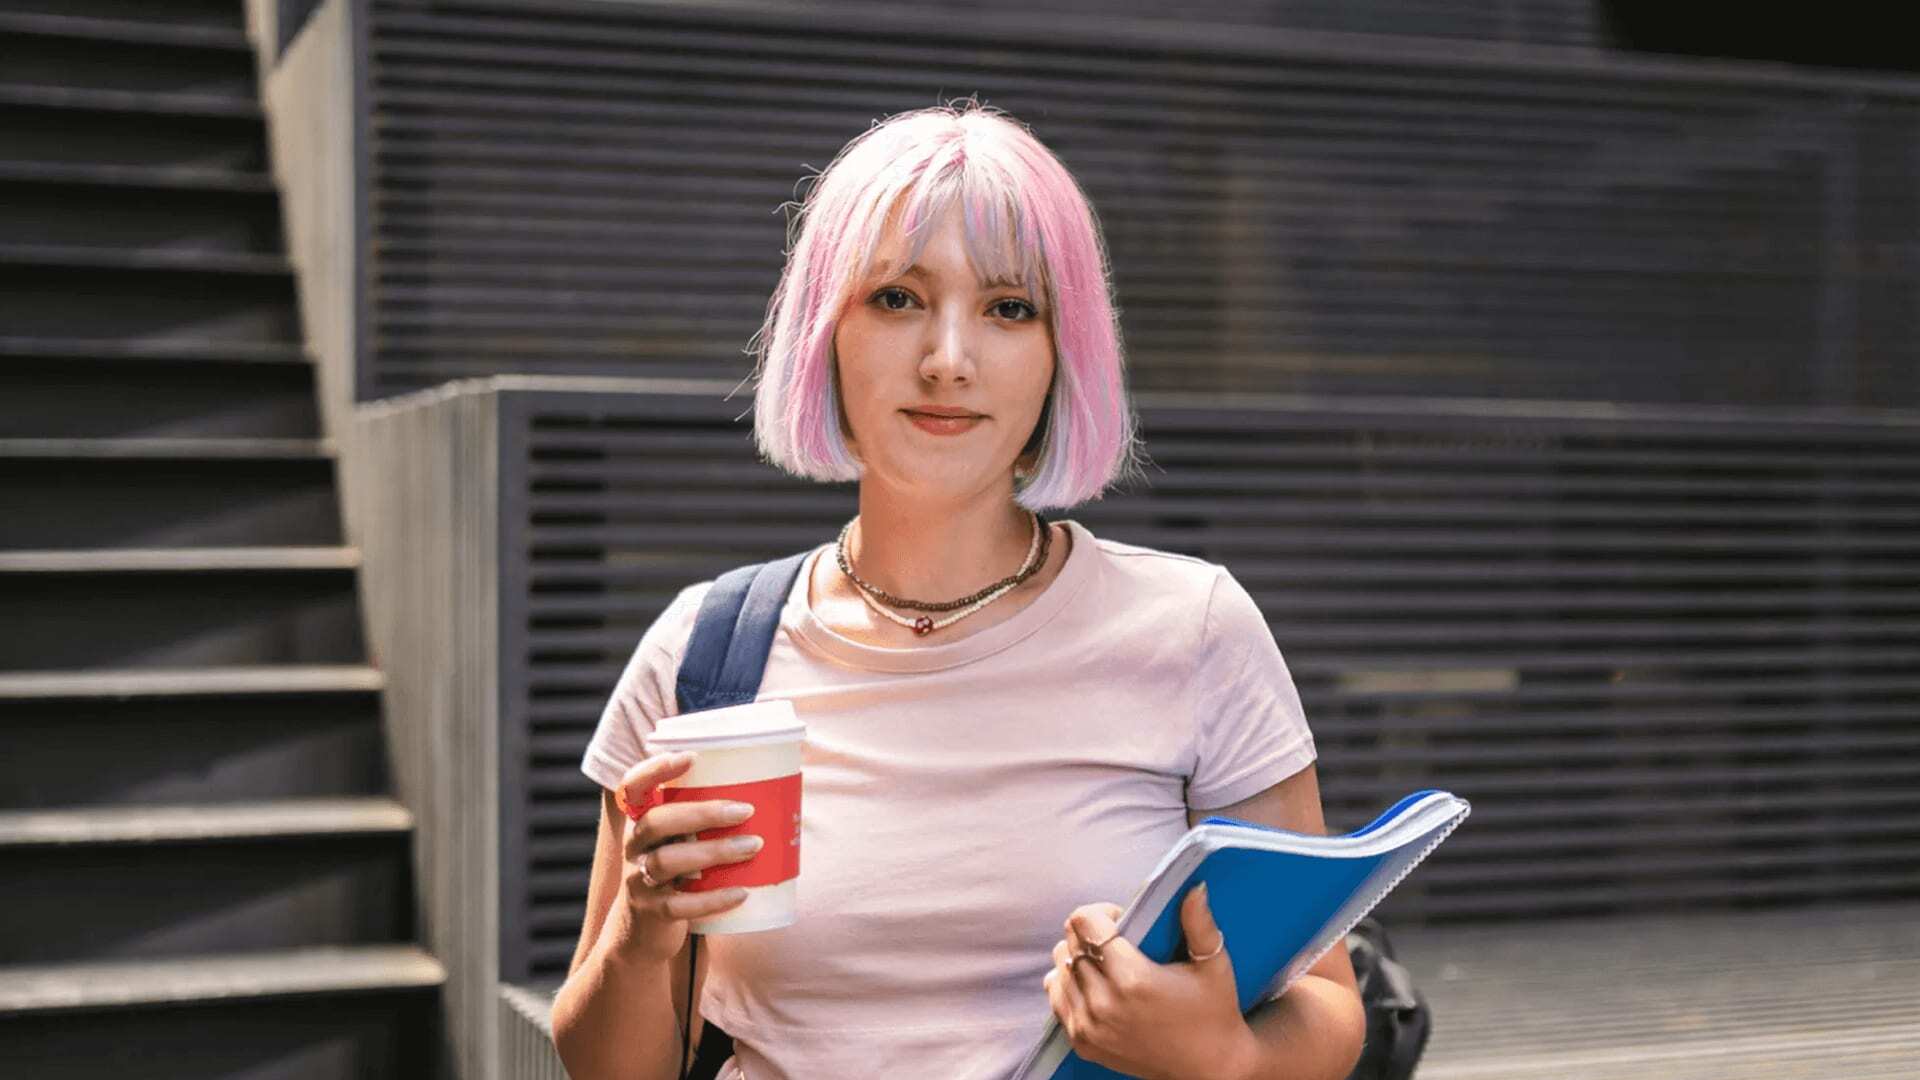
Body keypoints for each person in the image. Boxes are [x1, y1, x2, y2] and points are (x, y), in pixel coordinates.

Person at [550, 99, 1365, 1080]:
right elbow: (604, 1068)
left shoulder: (1193, 631)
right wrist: (642, 937)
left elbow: (1327, 1008)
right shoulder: (705, 655)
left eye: (1009, 308)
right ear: (825, 333)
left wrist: (1222, 1054)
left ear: (1065, 356)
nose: (947, 360)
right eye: (897, 298)